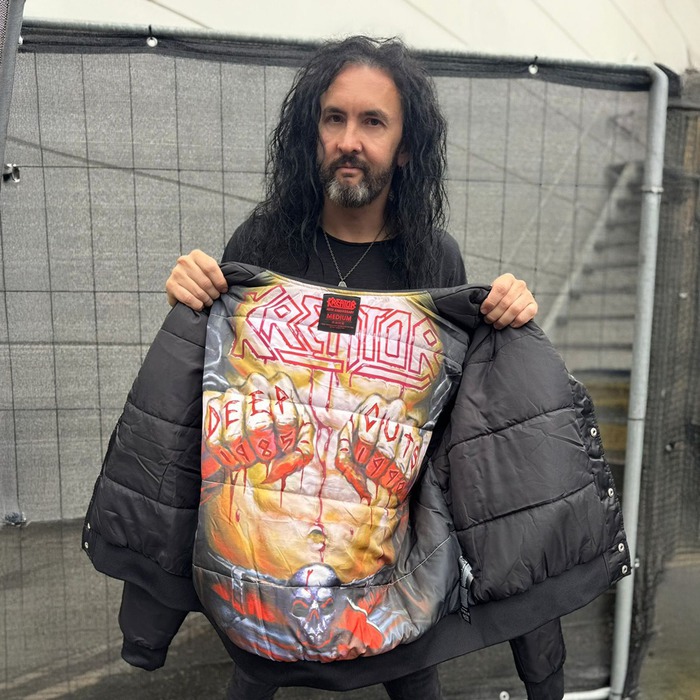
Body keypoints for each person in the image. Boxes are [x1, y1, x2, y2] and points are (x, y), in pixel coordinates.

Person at [83, 36, 629, 700]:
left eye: (373, 122)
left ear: (405, 146)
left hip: (389, 556)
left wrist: (507, 318)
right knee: (253, 674)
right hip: (262, 557)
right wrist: (192, 293)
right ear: (310, 133)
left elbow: (464, 422)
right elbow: (206, 401)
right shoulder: (262, 242)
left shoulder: (435, 259)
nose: (350, 140)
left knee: (414, 678)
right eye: (334, 118)